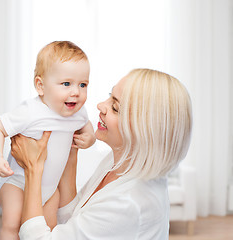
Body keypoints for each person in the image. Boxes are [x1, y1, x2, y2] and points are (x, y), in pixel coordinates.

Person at [11, 68, 192, 239]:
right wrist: (71, 154)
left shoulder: (128, 203)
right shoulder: (120, 162)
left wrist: (33, 168)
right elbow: (75, 218)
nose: (100, 106)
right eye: (109, 97)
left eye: (115, 108)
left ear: (144, 130)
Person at [0, 41, 96, 239]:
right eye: (66, 84)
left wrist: (89, 140)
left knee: (48, 229)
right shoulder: (31, 111)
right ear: (40, 86)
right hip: (18, 184)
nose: (76, 92)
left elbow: (88, 129)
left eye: (83, 84)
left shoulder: (78, 113)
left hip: (50, 189)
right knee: (12, 226)